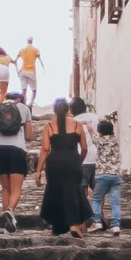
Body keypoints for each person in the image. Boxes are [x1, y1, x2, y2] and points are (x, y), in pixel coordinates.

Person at [36, 97, 91, 237]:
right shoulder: (77, 125)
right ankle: (73, 225)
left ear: (54, 110)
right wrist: (79, 161)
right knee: (72, 191)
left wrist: (38, 170)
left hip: (54, 163)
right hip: (73, 161)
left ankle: (57, 227)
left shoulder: (49, 126)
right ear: (68, 109)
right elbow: (84, 148)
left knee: (55, 192)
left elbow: (45, 149)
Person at [0, 85, 31, 230]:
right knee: (16, 189)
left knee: (5, 188)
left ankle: (7, 221)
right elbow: (29, 136)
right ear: (19, 99)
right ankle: (10, 211)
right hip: (17, 150)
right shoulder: (24, 109)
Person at [91, 116, 123, 233]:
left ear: (100, 132)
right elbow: (105, 132)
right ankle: (116, 226)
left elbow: (91, 132)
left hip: (103, 174)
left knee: (96, 199)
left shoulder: (99, 140)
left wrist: (90, 125)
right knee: (115, 201)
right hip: (116, 175)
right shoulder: (115, 140)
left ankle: (98, 222)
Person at [70, 97, 96, 199]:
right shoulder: (95, 117)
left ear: (72, 109)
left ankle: (85, 211)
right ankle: (99, 213)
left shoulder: (73, 122)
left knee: (82, 188)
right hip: (97, 158)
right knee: (97, 189)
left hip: (82, 157)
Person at [15, 36, 41, 111]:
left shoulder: (21, 50)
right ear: (32, 41)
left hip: (23, 71)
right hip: (31, 71)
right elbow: (40, 59)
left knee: (24, 90)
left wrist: (17, 71)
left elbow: (15, 61)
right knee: (34, 90)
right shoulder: (36, 50)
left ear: (27, 41)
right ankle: (30, 104)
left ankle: (24, 105)